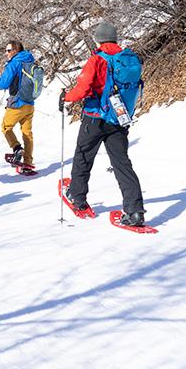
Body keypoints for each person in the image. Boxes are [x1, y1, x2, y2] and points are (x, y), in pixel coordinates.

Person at [60, 21, 147, 226]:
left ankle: (77, 197)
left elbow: (82, 89)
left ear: (98, 39)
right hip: (118, 117)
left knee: (83, 156)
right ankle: (135, 211)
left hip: (95, 117)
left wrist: (65, 97)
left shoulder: (97, 59)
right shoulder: (127, 58)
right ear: (114, 38)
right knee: (122, 163)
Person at [0, 40, 36, 174]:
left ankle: (17, 148)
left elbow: (4, 84)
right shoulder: (30, 61)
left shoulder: (14, 63)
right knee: (27, 133)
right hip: (29, 103)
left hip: (17, 103)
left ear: (15, 51)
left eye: (8, 50)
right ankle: (27, 163)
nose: (6, 53)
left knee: (6, 127)